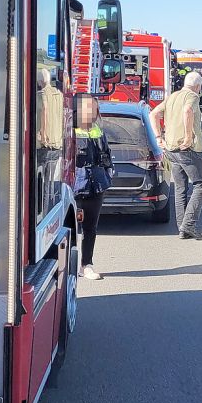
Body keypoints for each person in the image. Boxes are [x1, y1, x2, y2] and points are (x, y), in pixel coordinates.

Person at [150, 71, 202, 239]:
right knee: (201, 185)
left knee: (181, 188)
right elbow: (188, 110)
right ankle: (188, 224)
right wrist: (189, 136)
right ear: (198, 86)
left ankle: (182, 228)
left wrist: (158, 137)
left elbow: (153, 113)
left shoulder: (173, 96)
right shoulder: (193, 96)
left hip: (171, 150)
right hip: (187, 150)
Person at [74, 96, 114, 280]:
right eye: (88, 108)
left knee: (91, 228)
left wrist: (108, 173)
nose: (91, 113)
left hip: (96, 186)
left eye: (94, 109)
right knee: (71, 228)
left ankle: (86, 265)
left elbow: (106, 155)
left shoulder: (98, 131)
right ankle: (71, 265)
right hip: (76, 186)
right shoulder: (70, 131)